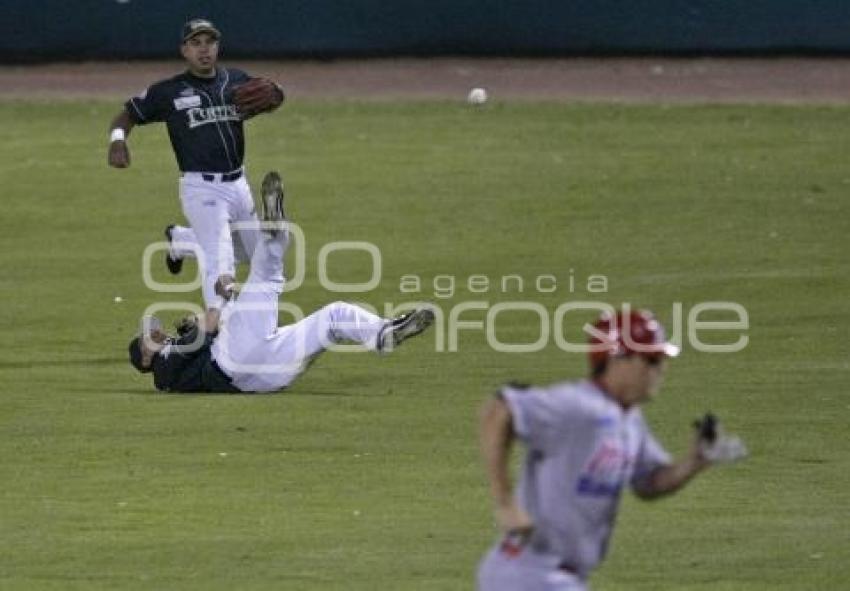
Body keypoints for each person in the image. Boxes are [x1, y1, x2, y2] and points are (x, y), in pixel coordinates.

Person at [476, 308, 746, 591]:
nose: (660, 370)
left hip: (554, 578)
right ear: (618, 359)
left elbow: (648, 482)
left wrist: (695, 461)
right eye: (651, 360)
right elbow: (498, 409)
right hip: (529, 572)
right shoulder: (578, 406)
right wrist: (505, 503)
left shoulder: (629, 420)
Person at [127, 171, 435, 393]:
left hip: (261, 378)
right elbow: (210, 324)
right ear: (145, 358)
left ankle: (383, 334)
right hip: (232, 358)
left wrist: (201, 321)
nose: (155, 330)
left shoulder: (169, 372)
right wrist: (217, 303)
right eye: (149, 337)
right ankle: (272, 229)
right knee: (265, 273)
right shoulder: (164, 364)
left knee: (334, 317)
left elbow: (205, 332)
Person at [107, 17, 285, 322]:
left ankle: (181, 241)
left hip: (238, 184)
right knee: (221, 261)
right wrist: (118, 141)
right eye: (196, 43)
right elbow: (126, 115)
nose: (204, 49)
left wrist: (277, 94)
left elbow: (271, 95)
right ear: (184, 51)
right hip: (202, 189)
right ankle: (219, 327)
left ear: (217, 46)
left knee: (256, 255)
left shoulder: (236, 80)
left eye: (210, 42)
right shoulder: (168, 92)